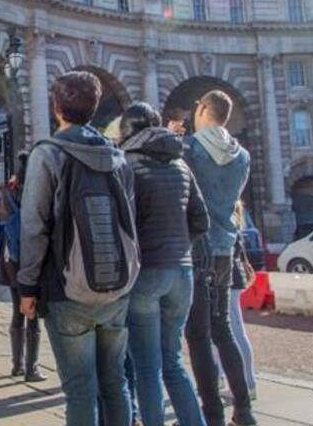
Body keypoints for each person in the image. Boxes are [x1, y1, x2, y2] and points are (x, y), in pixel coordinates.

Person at [18, 71, 137, 426]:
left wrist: (27, 286)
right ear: (96, 107)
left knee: (80, 389)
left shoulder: (49, 154)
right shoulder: (117, 156)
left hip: (67, 289)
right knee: (115, 383)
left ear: (57, 107)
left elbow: (34, 226)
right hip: (118, 286)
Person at [118, 102, 209, 426]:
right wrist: (179, 245)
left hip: (146, 272)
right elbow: (201, 220)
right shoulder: (180, 164)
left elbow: (123, 224)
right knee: (173, 361)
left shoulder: (127, 165)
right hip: (182, 274)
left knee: (146, 367)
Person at [173, 89, 257, 426]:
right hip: (225, 247)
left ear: (204, 108)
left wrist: (171, 139)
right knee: (223, 329)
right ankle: (245, 410)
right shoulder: (243, 156)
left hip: (196, 249)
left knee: (197, 334)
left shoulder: (189, 149)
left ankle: (211, 416)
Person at [0, 150, 47, 382]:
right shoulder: (37, 190)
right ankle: (32, 368)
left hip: (10, 259)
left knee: (17, 310)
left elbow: (3, 213)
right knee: (33, 314)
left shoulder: (8, 191)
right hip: (32, 257)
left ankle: (16, 365)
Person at [229, 201, 257, 400]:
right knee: (228, 333)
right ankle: (235, 380)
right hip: (233, 276)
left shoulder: (225, 218)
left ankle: (248, 383)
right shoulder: (234, 219)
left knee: (235, 332)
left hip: (228, 278)